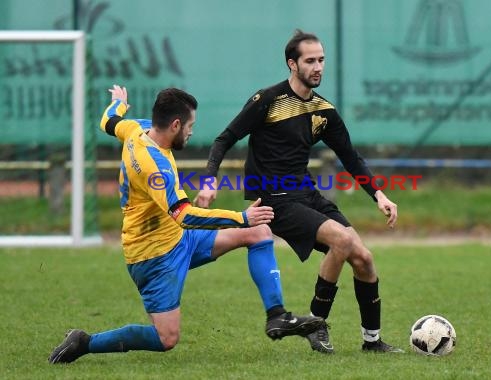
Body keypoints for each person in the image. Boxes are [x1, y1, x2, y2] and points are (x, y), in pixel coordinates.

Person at [48, 85, 324, 364]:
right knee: (166, 339)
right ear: (176, 124)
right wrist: (241, 217)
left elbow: (109, 120)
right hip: (153, 256)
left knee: (259, 233)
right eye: (190, 125)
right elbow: (183, 215)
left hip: (179, 239)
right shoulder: (154, 166)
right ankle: (85, 342)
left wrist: (118, 103)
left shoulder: (137, 129)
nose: (192, 132)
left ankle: (277, 316)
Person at [194, 30, 403, 354]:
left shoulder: (323, 110)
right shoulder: (267, 100)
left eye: (321, 59)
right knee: (343, 240)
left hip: (305, 193)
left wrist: (380, 195)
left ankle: (372, 342)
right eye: (310, 60)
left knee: (364, 259)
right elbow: (224, 139)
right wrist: (209, 182)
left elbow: (350, 157)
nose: (318, 66)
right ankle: (316, 326)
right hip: (274, 199)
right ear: (292, 64)